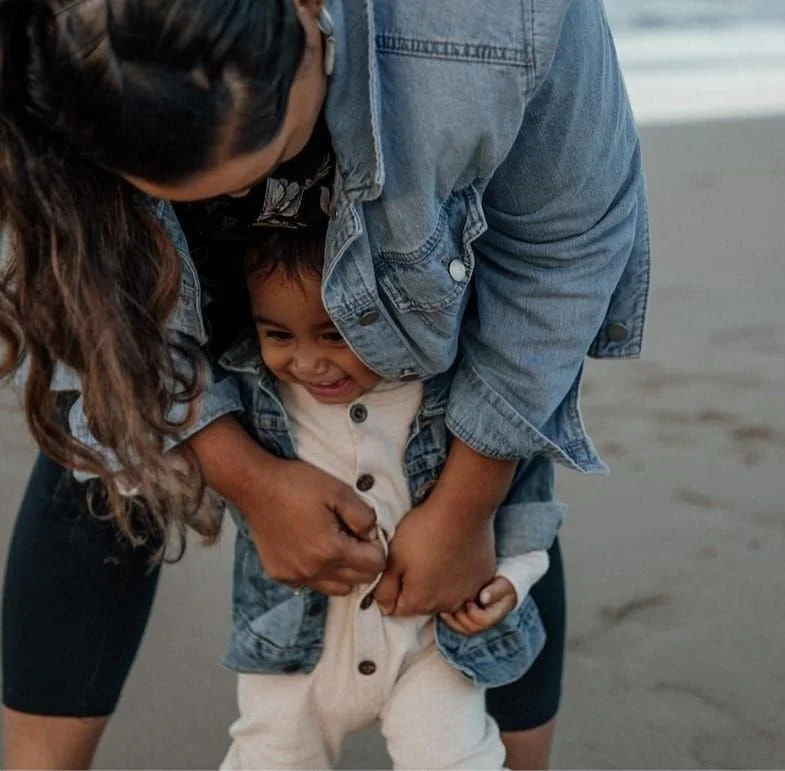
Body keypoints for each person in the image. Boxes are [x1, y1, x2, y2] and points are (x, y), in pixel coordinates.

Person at [0, 0, 649, 769]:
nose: (242, 197)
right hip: (142, 253)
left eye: (265, 152)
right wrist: (247, 476)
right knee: (102, 437)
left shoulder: (505, 18)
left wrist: (469, 501)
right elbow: (80, 292)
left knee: (484, 441)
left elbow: (562, 249)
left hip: (415, 268)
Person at [219, 224, 552, 769]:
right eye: (279, 336)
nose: (307, 363)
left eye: (334, 335)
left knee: (457, 761)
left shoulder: (453, 391)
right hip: (294, 652)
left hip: (430, 642)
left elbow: (525, 502)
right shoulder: (254, 394)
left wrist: (512, 581)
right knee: (270, 760)